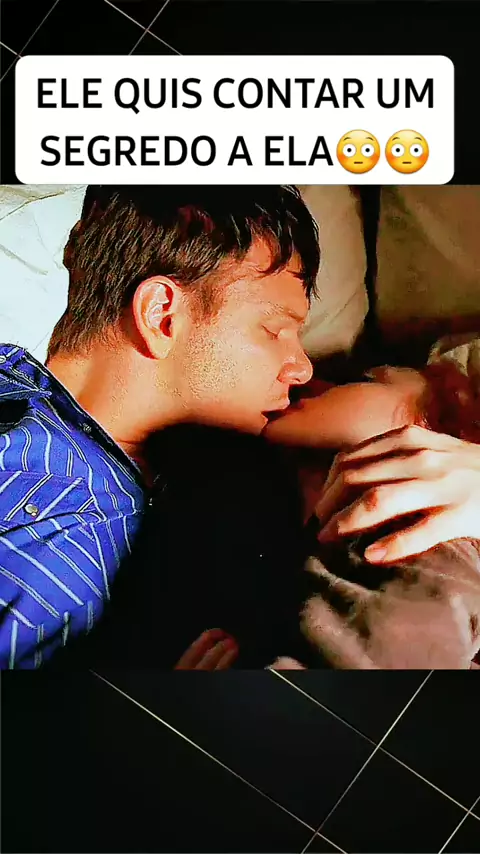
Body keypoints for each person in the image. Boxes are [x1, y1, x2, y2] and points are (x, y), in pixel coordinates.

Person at [1, 184, 480, 669]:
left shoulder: (186, 493)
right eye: (274, 330)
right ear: (162, 315)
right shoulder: (61, 508)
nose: (304, 369)